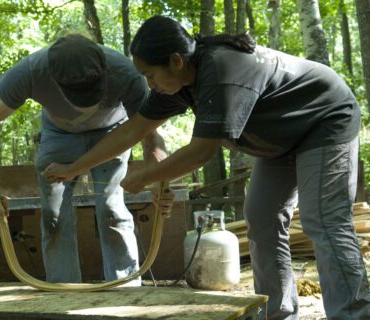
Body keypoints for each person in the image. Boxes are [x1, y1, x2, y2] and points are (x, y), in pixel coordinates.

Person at [44, 16, 370, 320]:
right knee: (261, 218)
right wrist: (74, 169)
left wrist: (145, 176)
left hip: (324, 120)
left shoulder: (222, 68)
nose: (150, 83)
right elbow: (131, 130)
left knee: (323, 221)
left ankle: (353, 314)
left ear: (176, 60)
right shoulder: (177, 83)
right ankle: (277, 314)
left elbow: (201, 152)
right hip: (278, 142)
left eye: (150, 75)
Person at [0, 34, 172, 285]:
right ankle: (63, 292)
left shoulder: (126, 73)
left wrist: (157, 174)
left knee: (111, 208)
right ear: (54, 78)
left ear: (104, 70)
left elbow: (151, 134)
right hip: (58, 134)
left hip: (114, 134)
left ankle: (125, 289)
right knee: (53, 216)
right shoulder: (32, 71)